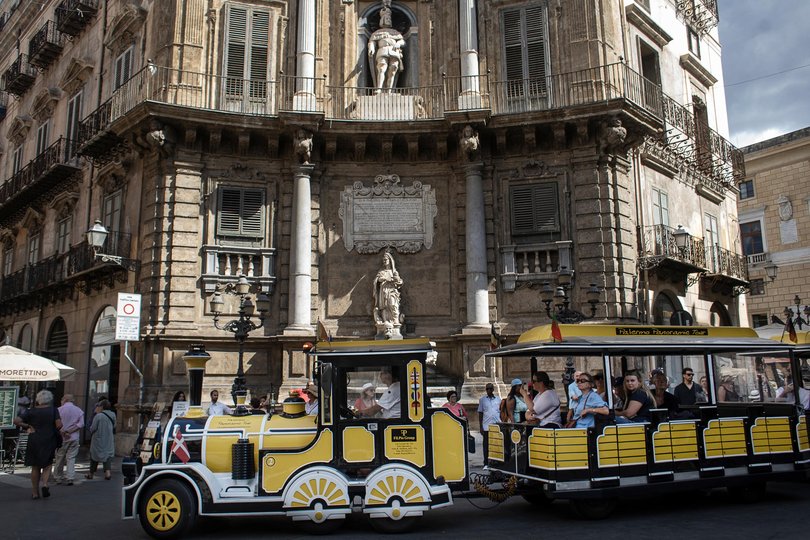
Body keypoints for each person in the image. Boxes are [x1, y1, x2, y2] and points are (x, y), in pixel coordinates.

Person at [14, 389, 62, 499]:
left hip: (34, 439)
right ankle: (45, 484)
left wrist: (28, 426)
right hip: (49, 439)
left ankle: (35, 492)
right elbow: (59, 425)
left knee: (35, 466)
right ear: (50, 400)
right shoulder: (53, 410)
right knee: (47, 464)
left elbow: (16, 421)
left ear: (38, 400)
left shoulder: (31, 411)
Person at [368, 0, 406, 92]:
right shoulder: (376, 33)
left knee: (392, 71)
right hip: (382, 51)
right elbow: (372, 41)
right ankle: (379, 88)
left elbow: (403, 42)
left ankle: (390, 90)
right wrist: (371, 47)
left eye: (389, 19)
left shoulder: (396, 33)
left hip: (394, 52)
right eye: (386, 18)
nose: (388, 20)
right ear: (382, 20)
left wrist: (398, 43)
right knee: (382, 69)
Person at [52, 394, 84, 486]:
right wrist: (69, 431)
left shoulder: (59, 410)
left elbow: (55, 424)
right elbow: (81, 424)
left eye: (62, 399)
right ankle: (70, 477)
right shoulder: (78, 410)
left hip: (61, 438)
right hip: (74, 437)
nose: (61, 400)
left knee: (59, 457)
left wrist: (63, 432)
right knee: (71, 458)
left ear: (65, 400)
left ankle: (58, 477)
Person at [373, 250, 404, 331]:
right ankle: (385, 321)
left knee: (393, 305)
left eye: (386, 259)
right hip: (383, 291)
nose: (384, 261)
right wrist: (383, 279)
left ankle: (395, 321)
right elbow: (377, 280)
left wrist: (398, 281)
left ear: (390, 261)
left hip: (392, 291)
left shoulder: (394, 272)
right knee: (384, 306)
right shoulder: (381, 271)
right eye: (383, 260)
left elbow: (399, 281)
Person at [86, 399, 116, 480]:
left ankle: (91, 474)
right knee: (107, 455)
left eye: (99, 406)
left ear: (102, 406)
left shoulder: (98, 416)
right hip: (109, 438)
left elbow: (93, 428)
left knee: (94, 456)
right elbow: (114, 426)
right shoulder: (113, 415)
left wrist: (95, 413)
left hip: (98, 439)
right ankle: (108, 473)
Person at [477, 383, 501, 464]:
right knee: (486, 445)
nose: (489, 390)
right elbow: (480, 413)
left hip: (497, 425)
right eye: (487, 389)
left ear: (493, 389)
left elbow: (501, 411)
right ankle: (486, 462)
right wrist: (480, 427)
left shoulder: (498, 399)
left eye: (490, 389)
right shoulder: (482, 400)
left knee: (497, 444)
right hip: (486, 426)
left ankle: (496, 461)